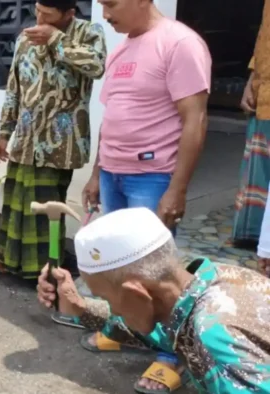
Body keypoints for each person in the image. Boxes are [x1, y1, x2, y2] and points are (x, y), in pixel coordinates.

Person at [80, 1, 211, 391]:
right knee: (117, 269)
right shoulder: (121, 49)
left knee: (159, 274)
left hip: (152, 178)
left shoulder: (180, 43)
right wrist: (96, 172)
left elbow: (195, 117)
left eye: (111, 4)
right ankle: (125, 330)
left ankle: (173, 357)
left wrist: (178, 187)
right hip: (114, 175)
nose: (104, 13)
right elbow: (112, 117)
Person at [37, 207, 270, 393]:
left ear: (135, 293)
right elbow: (160, 333)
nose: (114, 308)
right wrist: (80, 307)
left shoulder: (215, 337)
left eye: (106, 298)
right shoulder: (216, 280)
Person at [0, 0, 106, 284]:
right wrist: (5, 132)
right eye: (37, 11)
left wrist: (56, 40)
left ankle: (47, 273)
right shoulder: (25, 39)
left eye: (48, 15)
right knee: (14, 207)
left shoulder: (89, 33)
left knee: (48, 211)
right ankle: (2, 262)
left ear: (69, 14)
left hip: (60, 145)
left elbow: (96, 66)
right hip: (25, 140)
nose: (39, 19)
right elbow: (14, 87)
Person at [233, 0, 270, 247]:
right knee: (260, 169)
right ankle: (258, 238)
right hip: (264, 92)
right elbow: (264, 38)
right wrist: (251, 80)